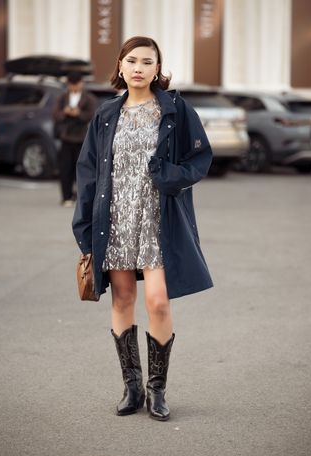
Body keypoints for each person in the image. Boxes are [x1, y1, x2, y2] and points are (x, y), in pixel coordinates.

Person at [72, 36, 213, 421]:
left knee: (158, 301)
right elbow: (88, 172)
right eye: (131, 60)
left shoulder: (174, 109)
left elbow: (200, 158)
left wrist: (170, 175)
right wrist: (83, 225)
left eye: (146, 61)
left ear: (157, 68)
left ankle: (158, 389)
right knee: (121, 300)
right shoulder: (105, 115)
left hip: (157, 220)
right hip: (114, 220)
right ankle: (131, 387)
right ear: (120, 66)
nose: (138, 67)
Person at [53, 71, 96, 207]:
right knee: (65, 168)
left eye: (76, 84)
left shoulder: (89, 98)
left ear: (81, 83)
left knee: (82, 169)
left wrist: (79, 114)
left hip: (82, 138)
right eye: (71, 85)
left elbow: (92, 115)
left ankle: (81, 196)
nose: (74, 87)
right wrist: (65, 112)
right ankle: (66, 196)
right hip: (66, 137)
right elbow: (55, 115)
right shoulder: (62, 97)